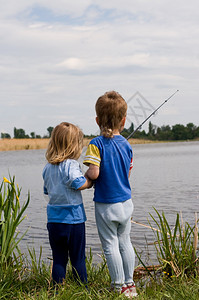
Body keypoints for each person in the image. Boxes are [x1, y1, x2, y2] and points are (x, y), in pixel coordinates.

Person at [83, 91, 137, 298]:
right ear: (123, 121)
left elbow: (94, 172)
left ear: (97, 120)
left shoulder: (95, 144)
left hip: (106, 204)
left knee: (110, 245)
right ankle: (130, 285)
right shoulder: (127, 144)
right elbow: (128, 173)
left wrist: (86, 176)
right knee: (125, 242)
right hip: (126, 202)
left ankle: (118, 287)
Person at [42, 122, 92, 285]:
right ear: (74, 146)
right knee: (78, 258)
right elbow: (78, 183)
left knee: (59, 258)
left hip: (54, 221)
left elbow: (46, 191)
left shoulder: (47, 168)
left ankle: (57, 289)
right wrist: (90, 180)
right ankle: (82, 288)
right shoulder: (71, 165)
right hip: (73, 220)